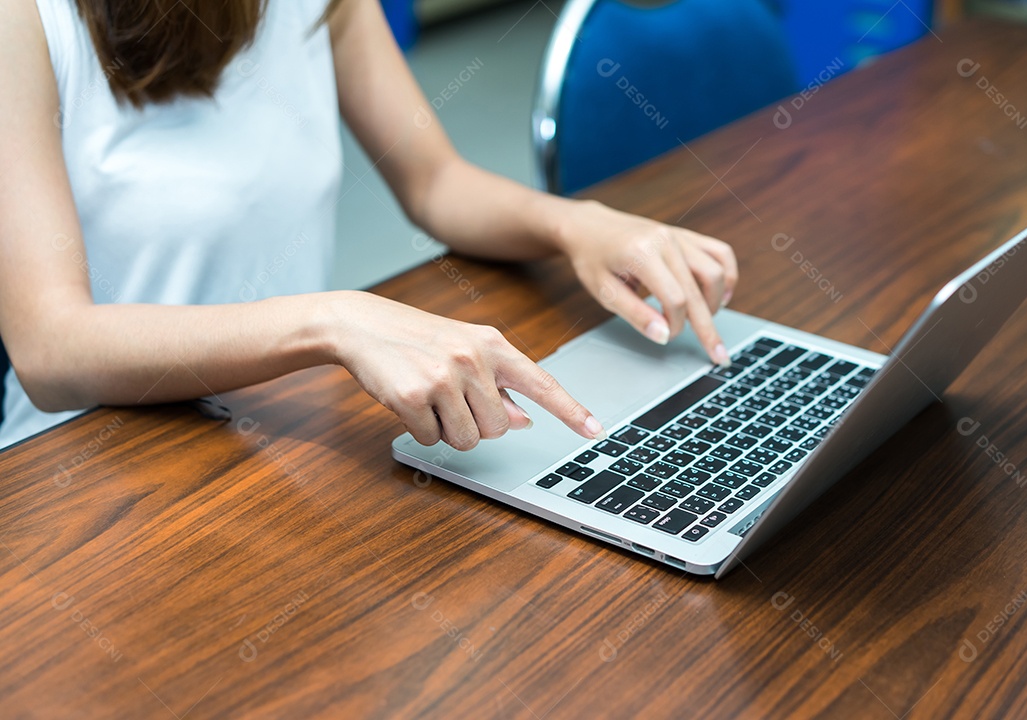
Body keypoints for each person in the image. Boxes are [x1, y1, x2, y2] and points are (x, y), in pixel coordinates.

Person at [0, 0, 738, 453]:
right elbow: (50, 346)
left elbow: (434, 180)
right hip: (87, 461)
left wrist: (577, 224)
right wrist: (331, 320)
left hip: (271, 433)